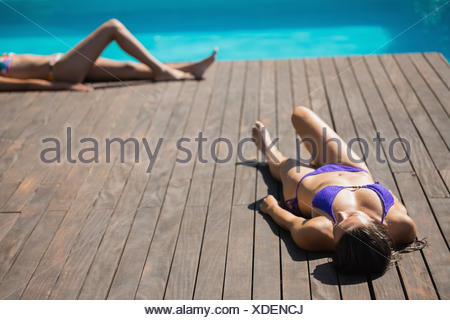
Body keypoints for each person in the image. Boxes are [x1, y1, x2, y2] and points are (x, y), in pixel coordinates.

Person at [252, 106, 421, 275]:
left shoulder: (319, 232)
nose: (340, 215)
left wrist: (271, 208)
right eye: (351, 217)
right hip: (351, 168)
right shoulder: (403, 227)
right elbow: (393, 198)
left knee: (279, 162)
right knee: (300, 114)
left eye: (337, 225)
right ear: (380, 228)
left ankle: (267, 147)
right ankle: (318, 158)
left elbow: (292, 223)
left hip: (305, 182)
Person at [0, 19, 217, 92]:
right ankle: (163, 71)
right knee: (112, 27)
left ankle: (191, 68)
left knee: (129, 69)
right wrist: (63, 86)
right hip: (59, 71)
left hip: (61, 63)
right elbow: (25, 84)